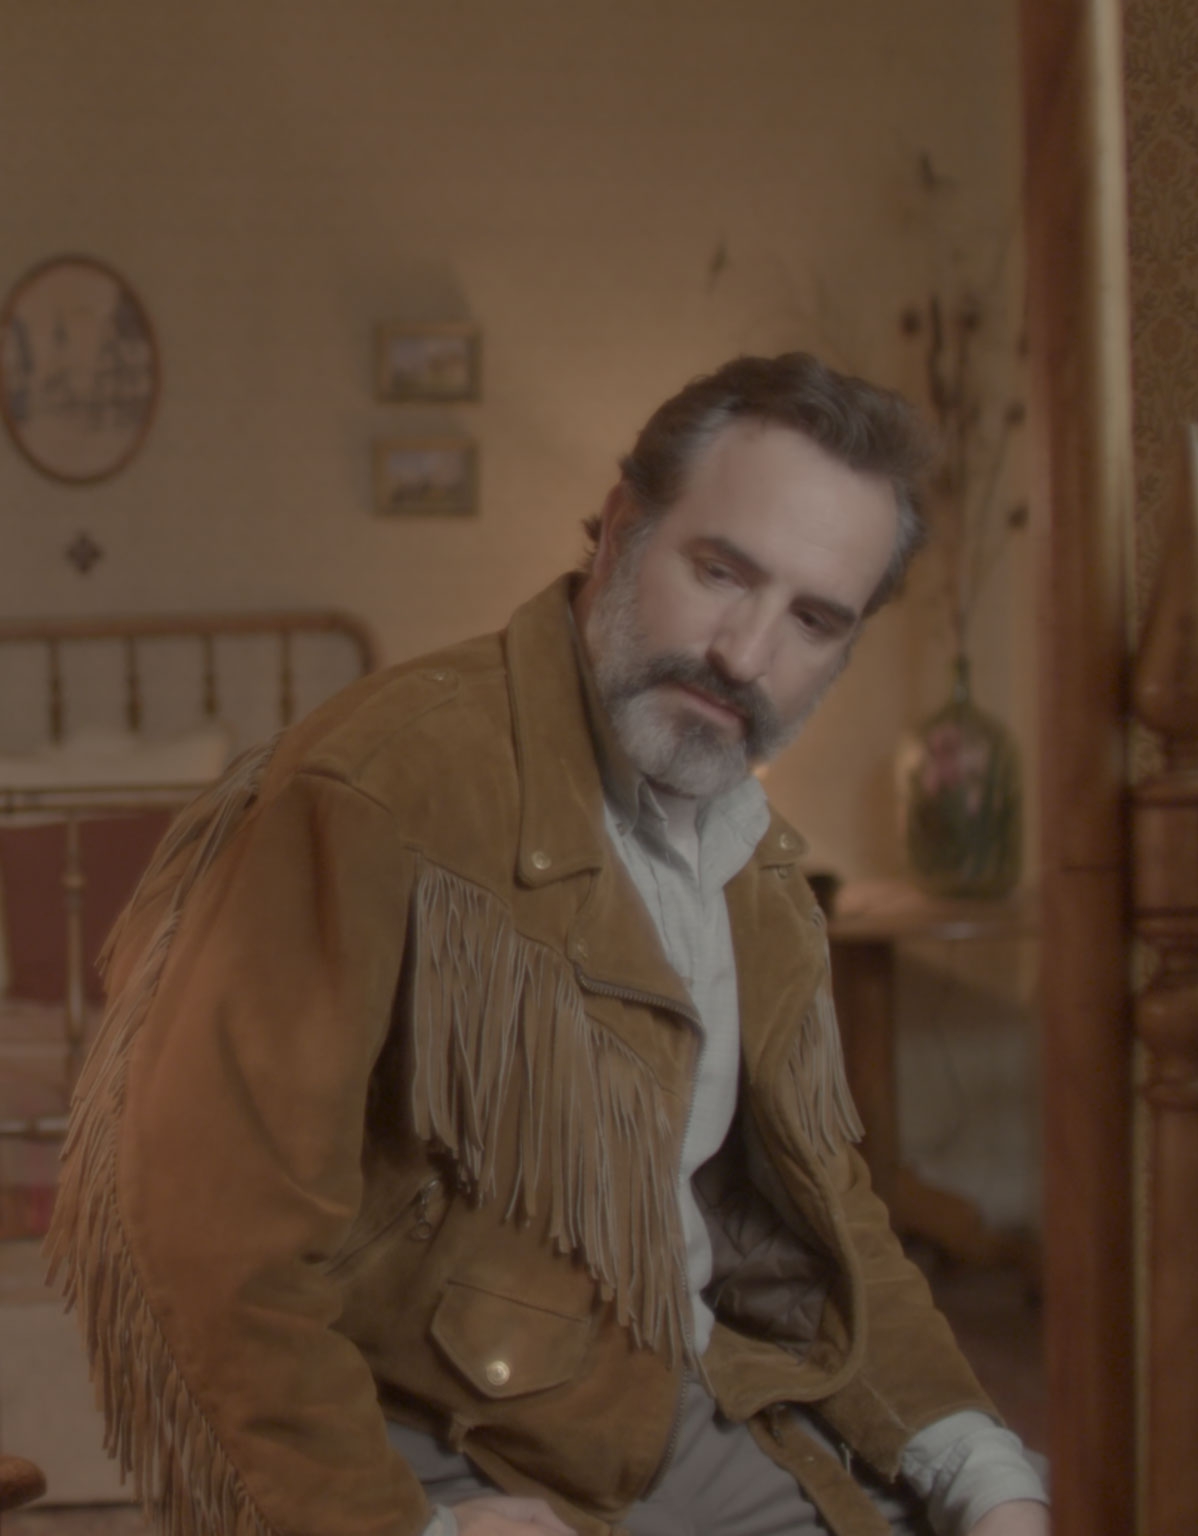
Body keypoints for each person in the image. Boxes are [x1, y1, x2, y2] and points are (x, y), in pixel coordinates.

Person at [48, 353, 1050, 1536]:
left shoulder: (757, 862)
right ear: (623, 526)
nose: (746, 653)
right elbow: (217, 1240)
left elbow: (825, 1215)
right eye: (721, 571)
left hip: (675, 1402)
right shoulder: (378, 791)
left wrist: (983, 1466)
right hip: (435, 1446)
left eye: (813, 618)